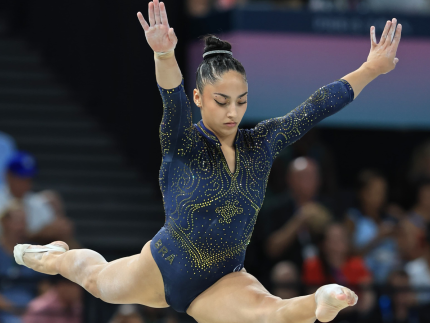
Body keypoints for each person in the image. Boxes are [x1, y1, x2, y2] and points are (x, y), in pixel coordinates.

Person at [13, 2, 402, 322]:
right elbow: (170, 92)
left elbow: (314, 108)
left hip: (222, 279)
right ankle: (58, 256)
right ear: (199, 98)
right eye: (221, 101)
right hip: (163, 268)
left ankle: (323, 300)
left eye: (241, 100)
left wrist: (371, 68)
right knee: (96, 279)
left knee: (270, 315)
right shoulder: (182, 141)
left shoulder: (261, 144)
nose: (233, 112)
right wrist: (164, 52)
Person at [263, 157, 333, 273]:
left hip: (324, 269)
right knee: (284, 271)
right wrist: (300, 219)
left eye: (313, 176)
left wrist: (325, 224)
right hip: (291, 269)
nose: (309, 181)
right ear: (290, 180)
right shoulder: (275, 208)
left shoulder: (328, 207)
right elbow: (271, 249)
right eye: (303, 176)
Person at [0, 151, 75, 246]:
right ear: (8, 176)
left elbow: (55, 231)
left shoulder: (37, 202)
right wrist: (38, 234)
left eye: (29, 179)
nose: (25, 183)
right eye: (21, 178)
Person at [302, 223, 374, 316]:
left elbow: (368, 295)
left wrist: (360, 310)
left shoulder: (358, 264)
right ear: (324, 243)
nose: (338, 243)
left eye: (341, 238)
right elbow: (314, 301)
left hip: (355, 317)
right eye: (333, 239)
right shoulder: (313, 265)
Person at [345, 170, 401, 283]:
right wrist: (377, 238)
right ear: (363, 193)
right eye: (376, 192)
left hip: (391, 277)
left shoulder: (390, 218)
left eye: (383, 192)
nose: (381, 197)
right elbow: (349, 254)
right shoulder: (353, 218)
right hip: (365, 279)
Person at [0, 202, 45, 323]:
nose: (21, 227)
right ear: (4, 222)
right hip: (5, 311)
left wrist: (40, 307)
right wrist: (12, 308)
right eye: (17, 222)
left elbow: (44, 286)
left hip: (34, 310)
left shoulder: (35, 252)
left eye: (24, 222)